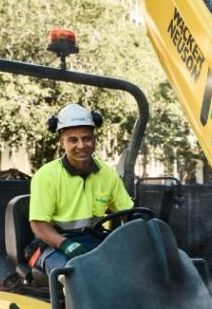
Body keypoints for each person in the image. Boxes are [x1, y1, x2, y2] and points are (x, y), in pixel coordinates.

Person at [29, 103, 134, 274]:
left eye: (86, 138)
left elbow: (127, 214)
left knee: (133, 268)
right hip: (54, 245)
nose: (81, 145)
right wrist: (65, 244)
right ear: (62, 142)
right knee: (78, 273)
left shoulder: (107, 173)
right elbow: (39, 225)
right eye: (73, 140)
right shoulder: (46, 175)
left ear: (94, 139)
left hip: (93, 241)